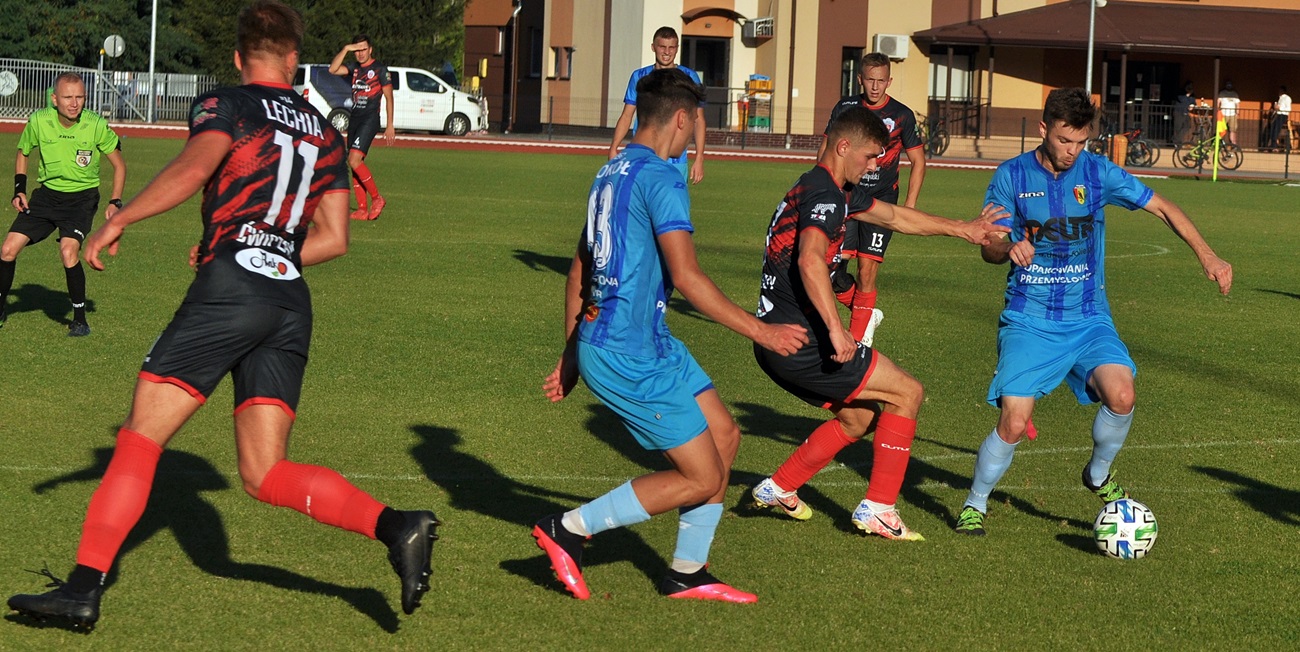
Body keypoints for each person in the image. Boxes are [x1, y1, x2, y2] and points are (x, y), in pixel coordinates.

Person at [6, 1, 439, 629]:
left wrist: (122, 217)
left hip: (231, 289)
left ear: (239, 58)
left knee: (140, 435)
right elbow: (336, 237)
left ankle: (82, 588)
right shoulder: (326, 130)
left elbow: (197, 164)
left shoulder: (228, 103)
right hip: (289, 298)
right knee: (265, 473)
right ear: (295, 61)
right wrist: (269, 248)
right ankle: (397, 525)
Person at [536, 68, 807, 603]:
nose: (691, 136)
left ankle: (687, 572)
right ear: (680, 118)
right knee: (704, 478)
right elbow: (687, 277)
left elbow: (579, 272)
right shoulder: (662, 178)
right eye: (694, 124)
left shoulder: (609, 173)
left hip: (643, 342)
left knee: (725, 437)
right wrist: (765, 333)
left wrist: (571, 355)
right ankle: (567, 528)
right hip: (627, 352)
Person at [953, 88, 1232, 537]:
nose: (1073, 151)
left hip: (1088, 318)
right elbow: (988, 245)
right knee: (1014, 421)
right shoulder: (1011, 175)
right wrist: (1008, 247)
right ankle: (975, 503)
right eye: (1065, 140)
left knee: (1122, 395)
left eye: (1081, 142)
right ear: (1044, 129)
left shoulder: (1098, 172)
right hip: (1031, 318)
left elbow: (1160, 206)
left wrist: (1208, 255)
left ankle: (1098, 474)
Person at [749, 106, 1007, 541]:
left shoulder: (822, 188)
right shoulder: (827, 197)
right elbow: (811, 259)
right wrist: (836, 328)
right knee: (908, 392)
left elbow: (894, 217)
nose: (874, 167)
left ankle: (779, 487)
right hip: (802, 342)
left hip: (776, 342)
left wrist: (965, 230)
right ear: (843, 146)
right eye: (870, 157)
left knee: (857, 418)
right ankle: (880, 508)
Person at [2, 72, 125, 336]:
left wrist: (116, 201)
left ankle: (80, 320)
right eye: (68, 97)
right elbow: (23, 152)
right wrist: (19, 191)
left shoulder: (95, 124)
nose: (74, 103)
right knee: (8, 249)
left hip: (81, 200)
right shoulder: (39, 121)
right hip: (46, 197)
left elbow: (119, 165)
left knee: (69, 252)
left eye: (80, 97)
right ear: (54, 99)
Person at [817, 52, 926, 348]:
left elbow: (918, 160)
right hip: (849, 197)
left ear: (889, 81)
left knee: (867, 270)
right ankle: (866, 314)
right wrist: (823, 184)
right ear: (860, 79)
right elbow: (827, 145)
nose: (875, 87)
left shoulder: (902, 115)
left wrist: (910, 205)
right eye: (870, 80)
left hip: (882, 199)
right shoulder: (846, 107)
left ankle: (859, 338)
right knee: (833, 268)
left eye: (881, 81)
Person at [608, 26, 706, 184]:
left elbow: (698, 119)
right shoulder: (639, 76)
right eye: (662, 47)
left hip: (676, 161)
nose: (667, 52)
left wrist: (699, 157)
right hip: (644, 154)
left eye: (671, 47)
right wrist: (614, 147)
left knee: (672, 205)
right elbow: (627, 115)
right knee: (641, 204)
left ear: (677, 49)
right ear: (653, 47)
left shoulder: (689, 77)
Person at [329, 33, 394, 220]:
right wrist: (345, 49)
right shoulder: (354, 68)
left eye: (363, 49)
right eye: (357, 50)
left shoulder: (380, 70)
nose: (360, 53)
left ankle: (377, 198)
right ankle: (362, 209)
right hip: (355, 118)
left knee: (354, 160)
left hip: (370, 119)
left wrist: (390, 125)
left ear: (370, 49)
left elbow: (389, 97)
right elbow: (333, 69)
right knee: (354, 161)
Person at [1268, 86, 1291, 151]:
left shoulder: (1287, 98)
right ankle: (1273, 145)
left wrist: (1280, 108)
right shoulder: (1279, 98)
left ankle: (1274, 146)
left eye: (1280, 90)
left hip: (1283, 115)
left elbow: (1289, 109)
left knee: (1276, 129)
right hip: (1277, 114)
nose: (1279, 92)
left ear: (1283, 91)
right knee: (1272, 128)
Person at [1217, 81, 1239, 146]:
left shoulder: (1235, 94)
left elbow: (1237, 104)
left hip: (1232, 114)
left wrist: (1237, 113)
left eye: (1230, 85)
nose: (1229, 86)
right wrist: (1218, 111)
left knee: (1233, 129)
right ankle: (1218, 143)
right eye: (1228, 85)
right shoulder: (1222, 93)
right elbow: (1218, 102)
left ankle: (1233, 144)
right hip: (1223, 114)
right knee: (1221, 129)